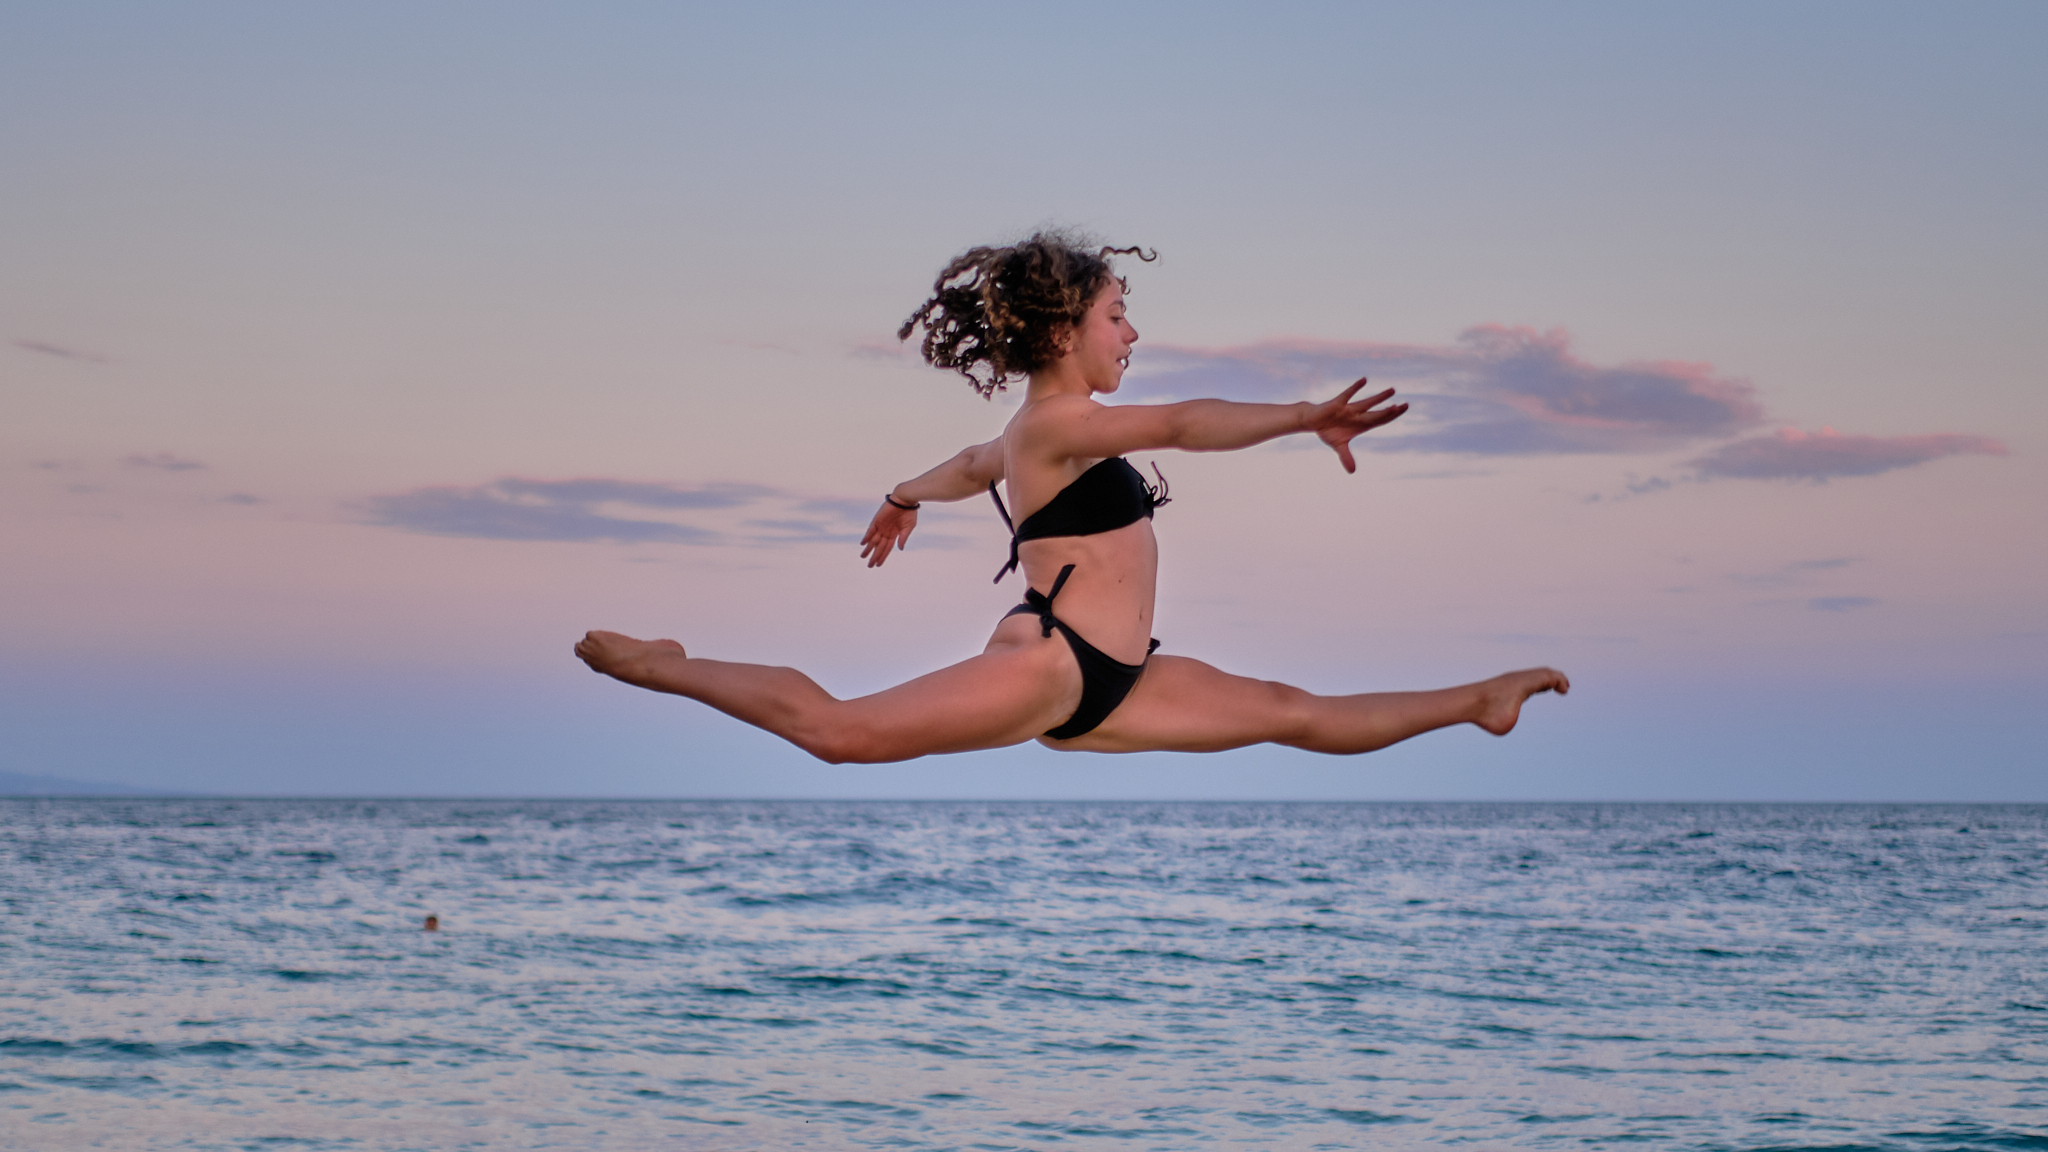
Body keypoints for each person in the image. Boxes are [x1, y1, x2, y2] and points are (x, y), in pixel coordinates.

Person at [576, 233, 1567, 764]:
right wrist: (1302, 415)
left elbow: (972, 466)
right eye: (1116, 314)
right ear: (1062, 334)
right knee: (841, 734)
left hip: (1121, 677)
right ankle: (669, 666)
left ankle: (1476, 701)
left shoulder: (1026, 438)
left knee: (1288, 712)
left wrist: (902, 493)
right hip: (1055, 666)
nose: (1129, 333)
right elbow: (1179, 425)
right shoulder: (1053, 426)